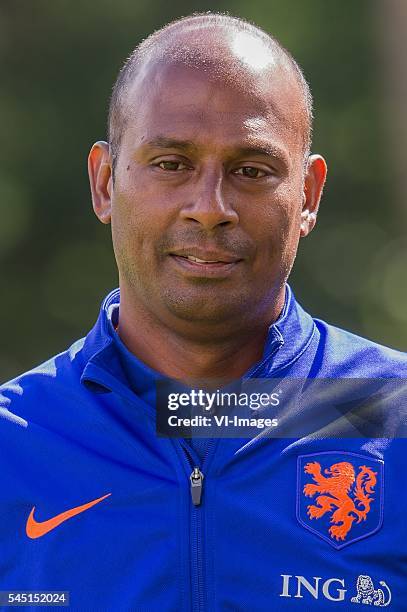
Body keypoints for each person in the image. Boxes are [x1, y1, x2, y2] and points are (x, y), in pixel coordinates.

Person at [0, 12, 406, 611]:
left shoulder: (391, 416)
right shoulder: (15, 446)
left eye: (251, 170)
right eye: (171, 164)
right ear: (106, 181)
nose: (210, 207)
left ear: (308, 196)